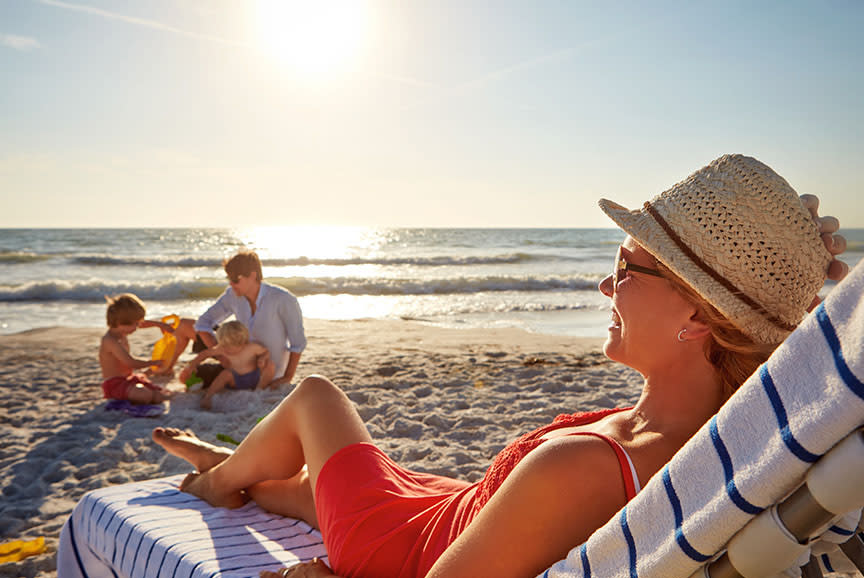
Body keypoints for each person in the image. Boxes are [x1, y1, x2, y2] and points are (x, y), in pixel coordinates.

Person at [152, 155, 848, 578]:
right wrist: (789, 278)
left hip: (406, 545)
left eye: (624, 271)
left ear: (698, 317)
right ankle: (239, 471)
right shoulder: (719, 436)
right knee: (299, 488)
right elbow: (795, 367)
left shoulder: (579, 470)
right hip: (450, 508)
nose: (605, 289)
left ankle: (216, 484)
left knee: (315, 397)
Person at [193, 250, 306, 388]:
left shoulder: (283, 299)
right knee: (194, 376)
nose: (231, 284)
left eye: (235, 280)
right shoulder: (232, 296)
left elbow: (298, 343)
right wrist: (222, 357)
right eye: (229, 279)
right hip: (239, 370)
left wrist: (287, 377)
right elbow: (203, 323)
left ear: (253, 275)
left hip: (269, 374)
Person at [179, 320, 277, 409]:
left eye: (229, 347)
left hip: (255, 378)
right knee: (226, 374)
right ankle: (208, 396)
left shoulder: (252, 348)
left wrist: (262, 358)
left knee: (270, 366)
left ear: (242, 342)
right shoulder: (222, 348)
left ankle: (259, 390)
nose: (225, 350)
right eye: (223, 345)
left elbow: (265, 351)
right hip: (236, 381)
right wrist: (192, 365)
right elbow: (204, 354)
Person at [99, 293, 173, 405]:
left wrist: (161, 325)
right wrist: (152, 363)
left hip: (129, 379)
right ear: (120, 323)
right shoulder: (110, 341)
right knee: (145, 395)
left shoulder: (121, 331)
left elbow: (143, 323)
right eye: (136, 324)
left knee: (161, 395)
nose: (138, 327)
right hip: (115, 384)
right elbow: (131, 363)